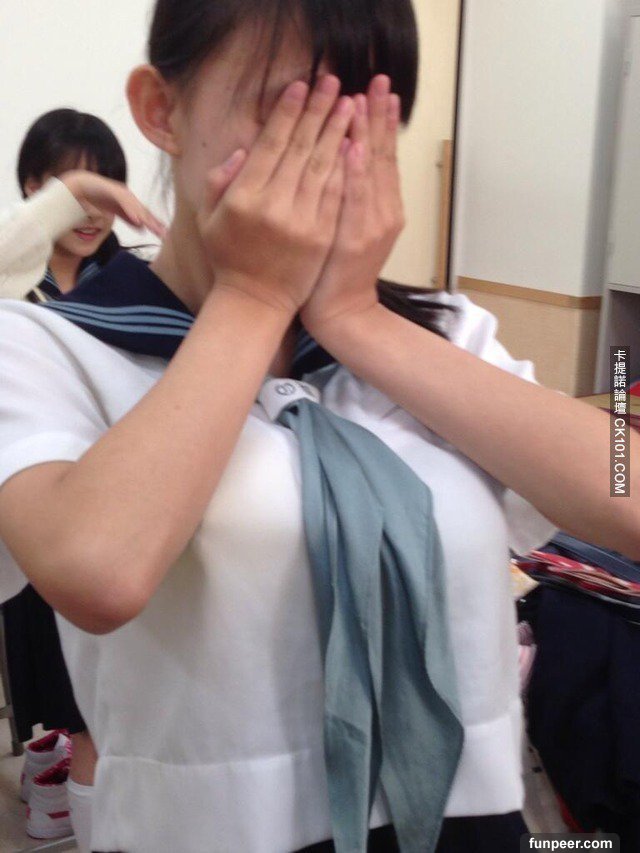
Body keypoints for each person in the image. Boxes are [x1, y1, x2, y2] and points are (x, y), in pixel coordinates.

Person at [0, 1, 637, 851]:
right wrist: (254, 296)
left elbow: (627, 488)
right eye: (290, 108)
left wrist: (354, 319)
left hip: (471, 824)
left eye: (364, 119)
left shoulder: (442, 331)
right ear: (162, 110)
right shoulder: (48, 345)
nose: (326, 154)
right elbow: (98, 573)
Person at [0, 109, 164, 850]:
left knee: (105, 695)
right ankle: (51, 777)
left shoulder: (133, 278)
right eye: (76, 189)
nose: (95, 210)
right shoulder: (16, 283)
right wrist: (64, 200)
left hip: (116, 513)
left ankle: (67, 782)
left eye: (109, 186)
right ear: (35, 189)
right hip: (34, 519)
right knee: (46, 669)